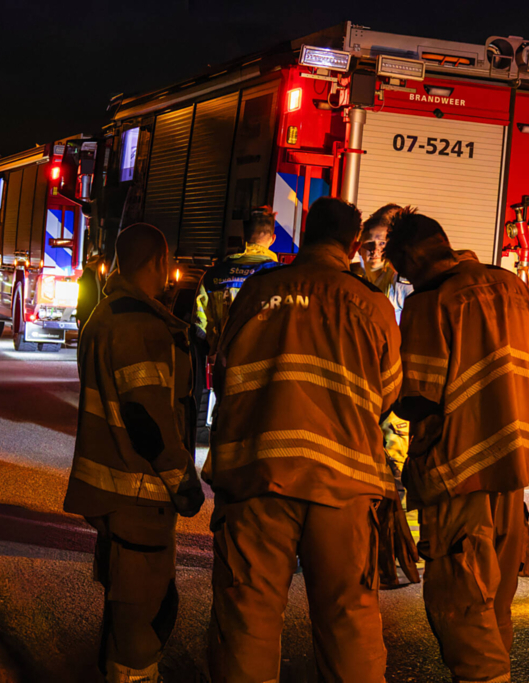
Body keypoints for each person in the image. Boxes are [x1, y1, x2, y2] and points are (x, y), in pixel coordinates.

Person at [204, 197, 404, 682]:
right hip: (344, 483)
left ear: (304, 233)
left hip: (259, 477)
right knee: (348, 617)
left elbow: (223, 374)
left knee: (249, 611)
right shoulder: (372, 304)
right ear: (353, 245)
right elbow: (389, 392)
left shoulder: (259, 292)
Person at [385, 208, 529, 683]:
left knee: (463, 608)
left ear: (406, 265)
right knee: (496, 606)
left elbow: (417, 399)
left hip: (458, 477)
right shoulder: (514, 287)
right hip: (515, 471)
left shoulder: (430, 302)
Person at [62, 223, 204, 683]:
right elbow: (148, 419)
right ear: (160, 263)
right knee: (140, 615)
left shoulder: (104, 315)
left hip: (110, 492)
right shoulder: (141, 327)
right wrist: (183, 480)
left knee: (125, 602)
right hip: (139, 495)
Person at [351, 204, 420, 556]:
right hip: (359, 389)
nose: (374, 251)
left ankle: (401, 547)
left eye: (381, 245)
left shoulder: (400, 284)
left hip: (393, 391)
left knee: (395, 468)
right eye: (368, 244)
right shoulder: (351, 280)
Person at [193, 206, 281, 357]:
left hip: (223, 367)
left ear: (243, 237)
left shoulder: (213, 276)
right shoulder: (281, 276)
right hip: (263, 366)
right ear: (273, 239)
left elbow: (199, 327)